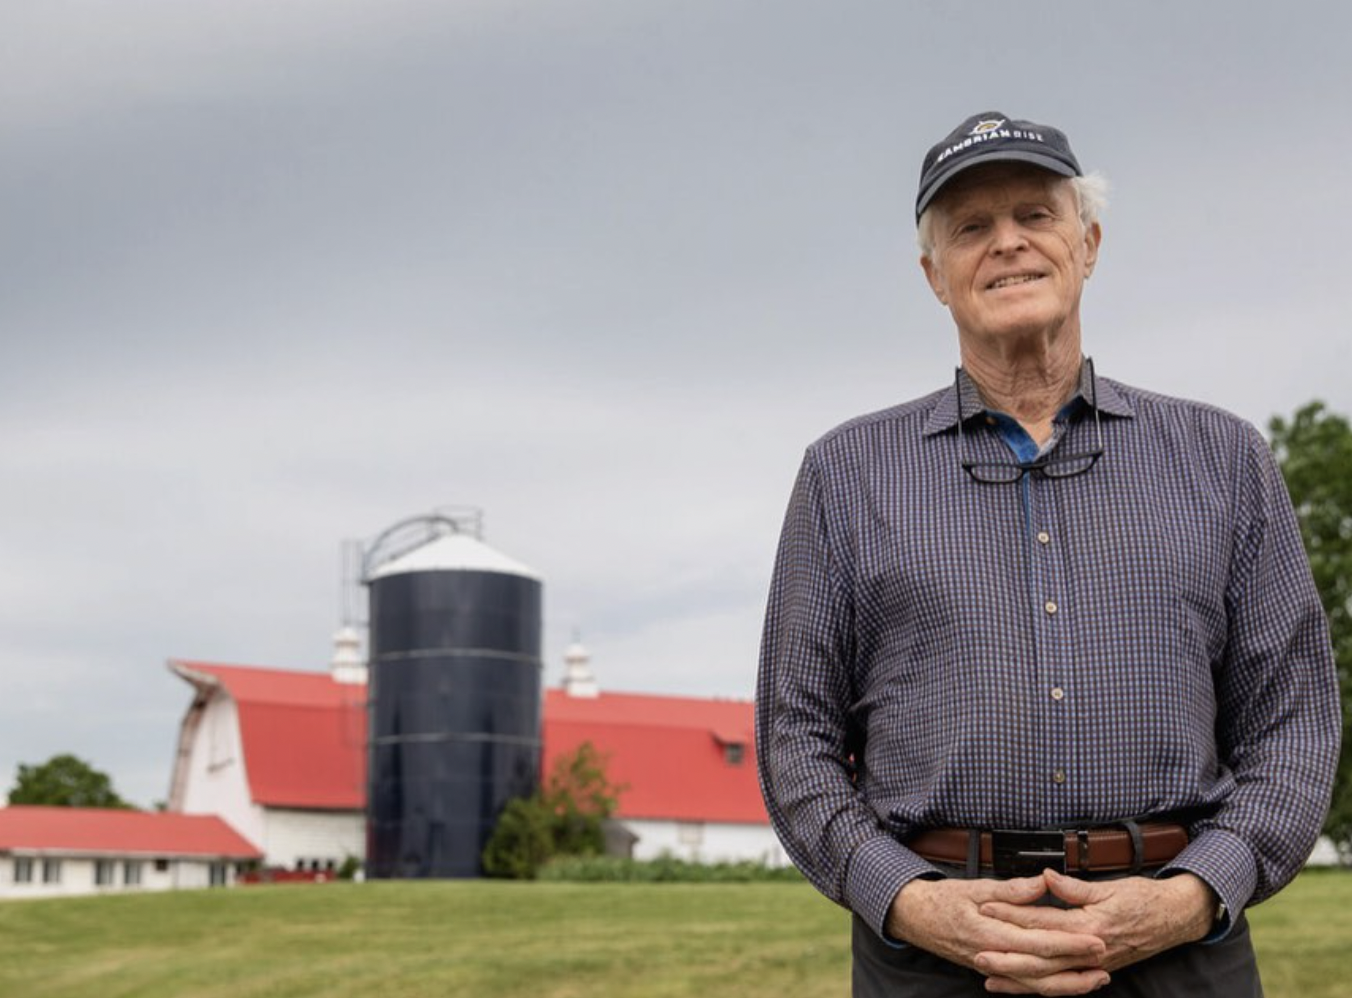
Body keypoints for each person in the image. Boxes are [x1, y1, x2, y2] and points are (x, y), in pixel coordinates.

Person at [755, 111, 1341, 997]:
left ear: (1088, 243)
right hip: (933, 957)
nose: (1007, 244)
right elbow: (794, 737)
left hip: (1180, 947)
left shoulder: (1225, 459)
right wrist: (910, 902)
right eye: (971, 228)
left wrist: (1189, 897)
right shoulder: (846, 475)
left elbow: (1293, 727)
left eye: (1035, 214)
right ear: (934, 275)